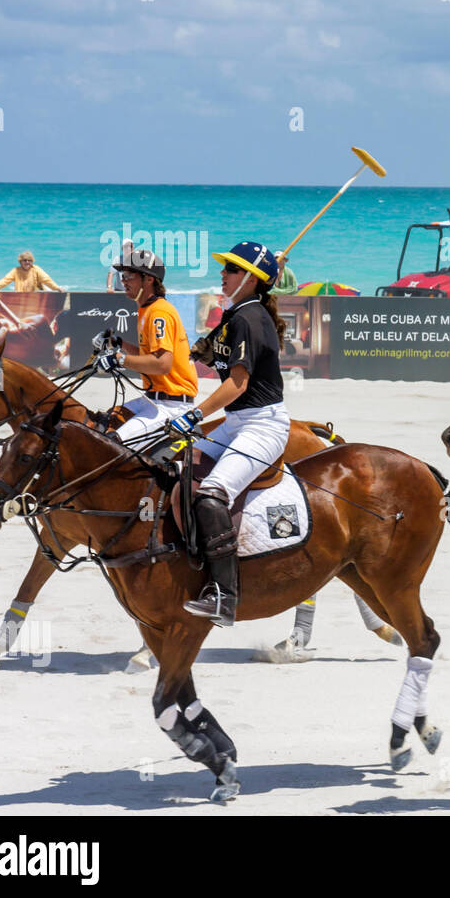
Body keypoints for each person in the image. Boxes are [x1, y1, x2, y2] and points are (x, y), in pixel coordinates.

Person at [168, 241, 290, 627]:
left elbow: (237, 384)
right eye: (226, 268)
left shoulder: (249, 319)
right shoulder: (236, 313)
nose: (223, 273)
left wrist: (194, 415)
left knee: (210, 495)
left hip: (262, 425)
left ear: (251, 279)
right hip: (237, 423)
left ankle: (225, 597)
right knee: (174, 468)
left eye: (233, 270)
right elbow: (207, 353)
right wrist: (201, 348)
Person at [92, 249, 200, 445]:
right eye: (122, 276)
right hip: (152, 399)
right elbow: (147, 356)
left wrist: (118, 359)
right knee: (101, 423)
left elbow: (162, 364)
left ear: (148, 279)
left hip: (171, 406)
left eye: (128, 276)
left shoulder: (159, 312)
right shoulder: (146, 309)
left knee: (112, 444)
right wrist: (119, 344)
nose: (123, 281)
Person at [0, 251, 64, 292]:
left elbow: (46, 280)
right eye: (25, 260)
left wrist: (57, 288)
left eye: (30, 260)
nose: (27, 262)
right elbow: (5, 280)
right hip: (20, 297)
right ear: (20, 261)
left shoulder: (36, 269)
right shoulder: (16, 270)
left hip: (36, 296)